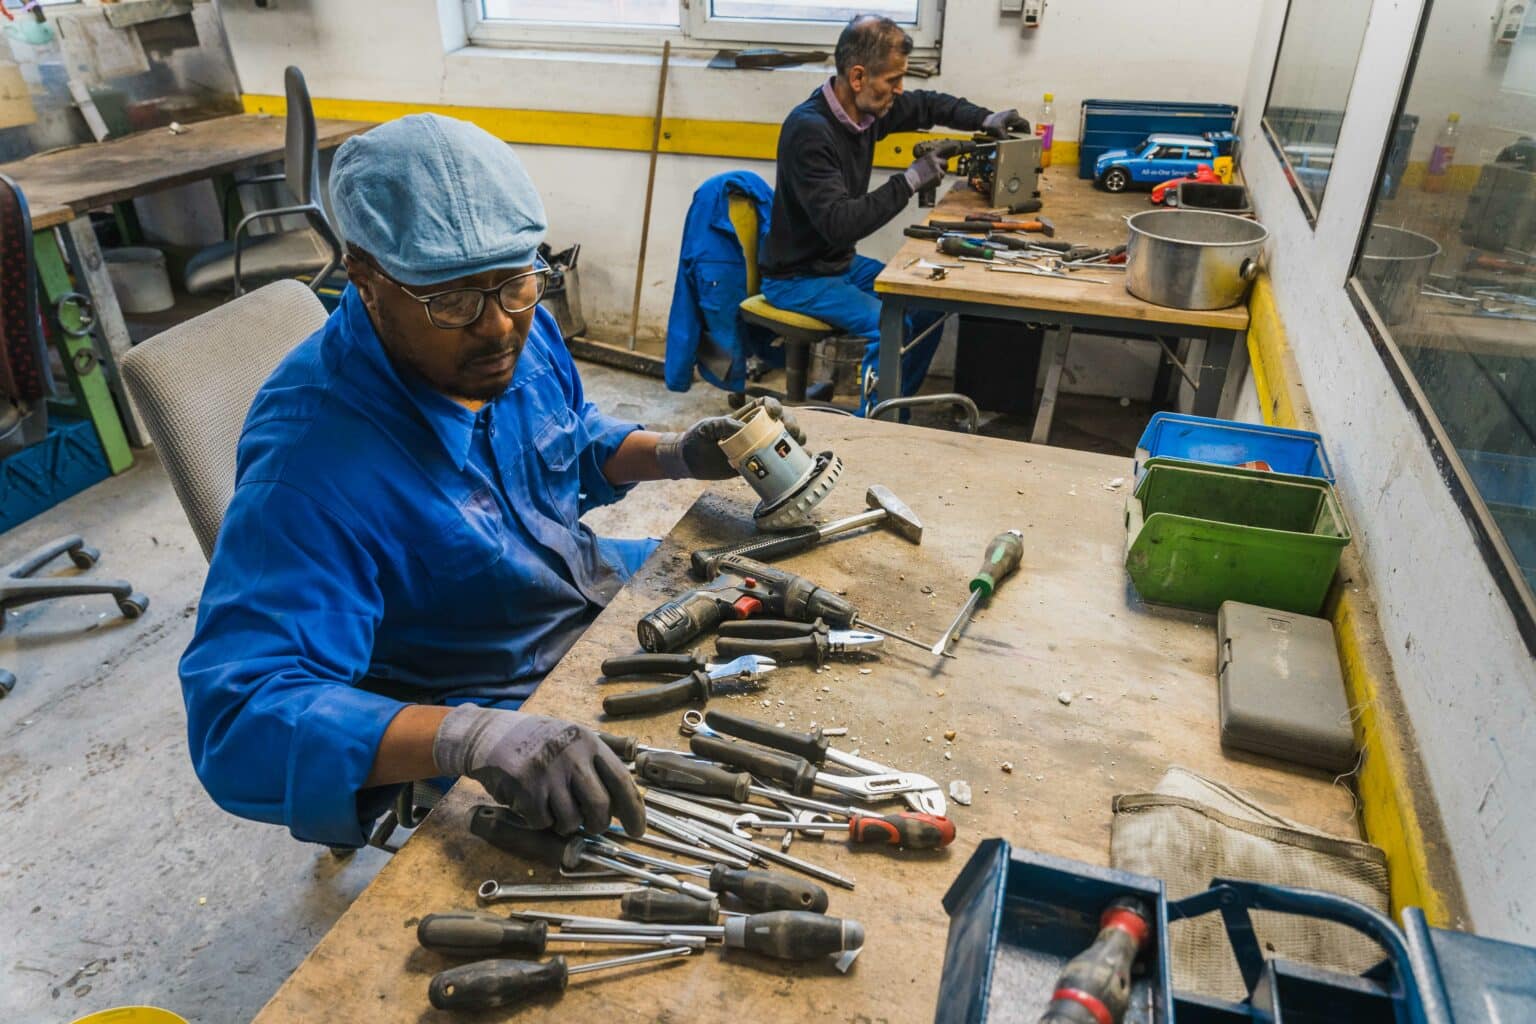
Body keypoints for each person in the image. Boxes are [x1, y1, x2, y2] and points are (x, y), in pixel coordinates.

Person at [179, 114, 804, 849]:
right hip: (498, 690)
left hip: (583, 583)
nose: (502, 328)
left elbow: (564, 444)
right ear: (367, 279)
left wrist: (674, 452)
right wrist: (466, 737)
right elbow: (238, 717)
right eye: (453, 301)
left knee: (786, 593)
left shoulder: (509, 318)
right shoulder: (309, 469)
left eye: (519, 282)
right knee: (707, 835)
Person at [760, 14, 1029, 410]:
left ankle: (890, 406)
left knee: (927, 303)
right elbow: (840, 224)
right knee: (889, 326)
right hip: (798, 277)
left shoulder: (864, 113)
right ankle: (874, 429)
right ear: (857, 77)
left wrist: (984, 119)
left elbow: (926, 105)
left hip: (837, 265)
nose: (899, 90)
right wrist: (911, 180)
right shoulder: (810, 131)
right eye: (892, 81)